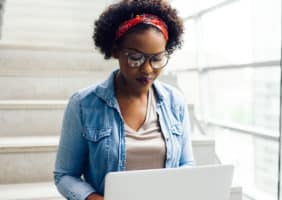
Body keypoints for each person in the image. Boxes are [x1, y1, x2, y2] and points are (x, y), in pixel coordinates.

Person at [54, 0, 195, 199]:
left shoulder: (175, 102)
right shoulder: (83, 104)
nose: (147, 69)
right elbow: (65, 175)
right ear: (115, 50)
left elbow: (186, 164)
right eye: (135, 58)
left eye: (156, 59)